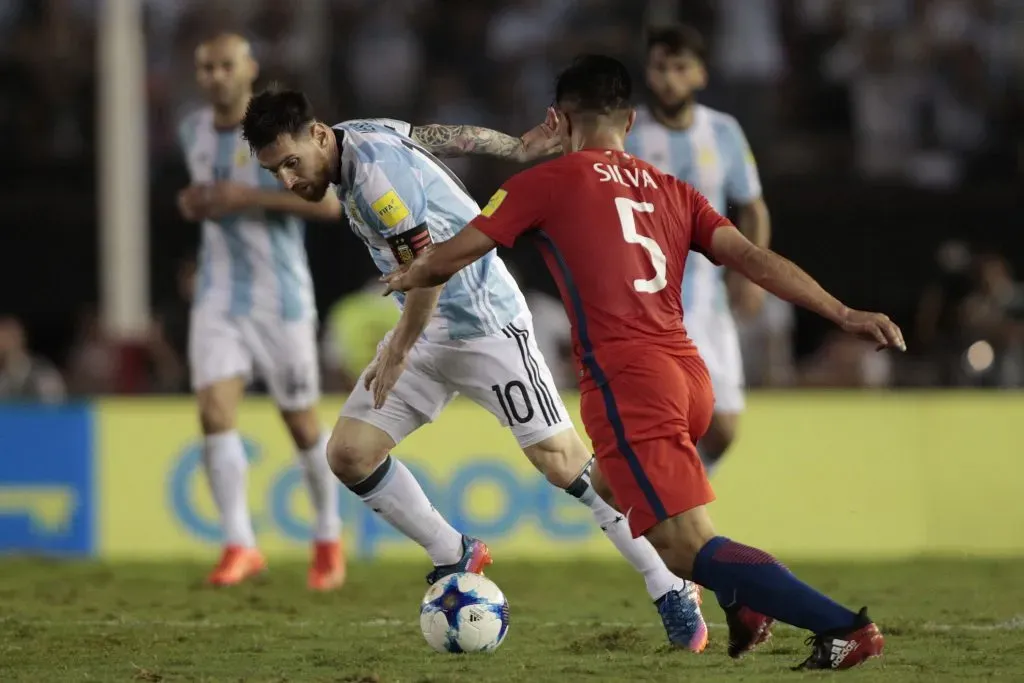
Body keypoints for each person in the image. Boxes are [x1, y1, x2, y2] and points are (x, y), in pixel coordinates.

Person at [382, 55, 904, 671]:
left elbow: (451, 257)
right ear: (629, 120)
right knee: (607, 484)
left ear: (560, 119)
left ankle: (844, 628)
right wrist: (841, 312)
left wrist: (408, 272)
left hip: (630, 380)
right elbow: (755, 260)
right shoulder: (674, 190)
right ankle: (745, 602)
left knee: (686, 549)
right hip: (688, 372)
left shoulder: (545, 183)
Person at [241, 87, 710, 651]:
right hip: (426, 328)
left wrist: (396, 349)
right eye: (275, 172)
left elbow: (428, 269)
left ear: (317, 134)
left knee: (567, 467)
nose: (289, 181)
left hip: (486, 327)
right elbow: (438, 136)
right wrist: (512, 146)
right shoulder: (359, 130)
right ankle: (453, 553)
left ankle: (670, 582)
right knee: (349, 454)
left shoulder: (373, 179)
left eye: (291, 163)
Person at [176, 34, 344, 590]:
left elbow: (328, 203)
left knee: (300, 423)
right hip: (219, 297)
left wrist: (249, 197)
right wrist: (194, 202)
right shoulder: (192, 130)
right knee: (213, 413)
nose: (216, 76)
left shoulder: (277, 130)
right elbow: (205, 196)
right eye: (207, 67)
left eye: (226, 65)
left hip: (282, 299)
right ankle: (240, 544)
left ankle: (326, 535)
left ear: (248, 68)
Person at [626, 24, 771, 475]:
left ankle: (666, 503)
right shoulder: (626, 132)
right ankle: (667, 518)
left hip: (707, 299)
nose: (668, 78)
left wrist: (749, 273)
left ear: (700, 75)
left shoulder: (724, 132)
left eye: (679, 67)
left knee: (723, 428)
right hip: (645, 299)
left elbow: (753, 209)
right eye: (659, 67)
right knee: (668, 419)